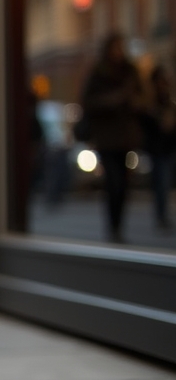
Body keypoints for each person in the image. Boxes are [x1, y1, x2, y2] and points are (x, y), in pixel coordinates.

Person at [80, 33, 144, 243]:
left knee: (123, 183)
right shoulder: (99, 72)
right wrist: (113, 100)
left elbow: (144, 97)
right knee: (113, 181)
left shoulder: (130, 71)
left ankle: (118, 224)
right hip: (107, 137)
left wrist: (133, 101)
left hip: (126, 136)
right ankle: (113, 225)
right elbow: (88, 101)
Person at [143, 65, 175, 232]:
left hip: (168, 146)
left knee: (165, 182)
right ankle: (161, 215)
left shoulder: (168, 100)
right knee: (161, 182)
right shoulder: (150, 102)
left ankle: (162, 215)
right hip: (157, 148)